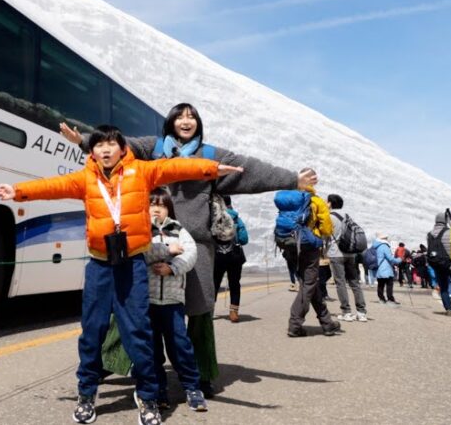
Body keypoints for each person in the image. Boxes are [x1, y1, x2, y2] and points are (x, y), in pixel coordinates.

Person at [61, 103, 314, 396]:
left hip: (197, 245)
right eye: (180, 116)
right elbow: (117, 146)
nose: (186, 120)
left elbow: (250, 170)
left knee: (199, 310)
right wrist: (83, 141)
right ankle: (114, 360)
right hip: (149, 239)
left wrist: (292, 180)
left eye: (191, 116)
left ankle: (201, 373)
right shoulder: (151, 148)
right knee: (132, 303)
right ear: (170, 122)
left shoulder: (209, 156)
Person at [0, 124, 243, 424]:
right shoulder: (84, 179)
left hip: (133, 266)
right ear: (93, 150)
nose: (106, 149)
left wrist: (211, 168)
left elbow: (176, 167)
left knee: (138, 331)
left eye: (112, 144)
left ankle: (148, 396)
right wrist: (18, 192)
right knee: (92, 332)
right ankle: (86, 393)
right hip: (99, 265)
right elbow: (52, 186)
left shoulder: (142, 171)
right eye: (99, 145)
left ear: (122, 148)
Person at [146, 190, 208, 412]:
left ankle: (192, 388)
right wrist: (166, 250)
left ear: (169, 209)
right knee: (152, 350)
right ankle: (159, 391)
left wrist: (171, 268)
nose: (156, 208)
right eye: (152, 204)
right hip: (148, 301)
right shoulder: (142, 230)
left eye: (162, 205)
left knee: (180, 346)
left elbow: (190, 254)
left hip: (173, 300)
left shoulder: (178, 229)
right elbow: (140, 252)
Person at [280, 182, 340, 337]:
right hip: (308, 247)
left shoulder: (290, 200)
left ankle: (327, 323)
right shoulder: (316, 200)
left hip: (290, 246)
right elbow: (327, 229)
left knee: (310, 285)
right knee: (309, 284)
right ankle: (295, 325)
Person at [327, 194, 369, 322]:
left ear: (330, 203)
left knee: (340, 283)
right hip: (351, 254)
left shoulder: (329, 218)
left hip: (336, 253)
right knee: (354, 283)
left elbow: (325, 236)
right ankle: (361, 312)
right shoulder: (348, 217)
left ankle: (346, 312)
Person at [213, 196, 249, 323]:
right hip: (234, 256)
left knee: (215, 283)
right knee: (234, 283)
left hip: (217, 256)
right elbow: (244, 239)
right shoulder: (237, 219)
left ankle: (210, 310)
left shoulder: (215, 218)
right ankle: (234, 312)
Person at [427, 210, 451, 316]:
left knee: (443, 287)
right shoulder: (450, 232)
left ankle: (448, 309)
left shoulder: (430, 234)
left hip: (438, 264)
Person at [370, 234, 401, 305]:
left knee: (380, 284)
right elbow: (390, 258)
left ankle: (381, 299)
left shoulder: (375, 246)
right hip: (385, 268)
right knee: (389, 284)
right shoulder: (384, 246)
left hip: (378, 268)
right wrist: (399, 260)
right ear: (384, 239)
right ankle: (390, 299)